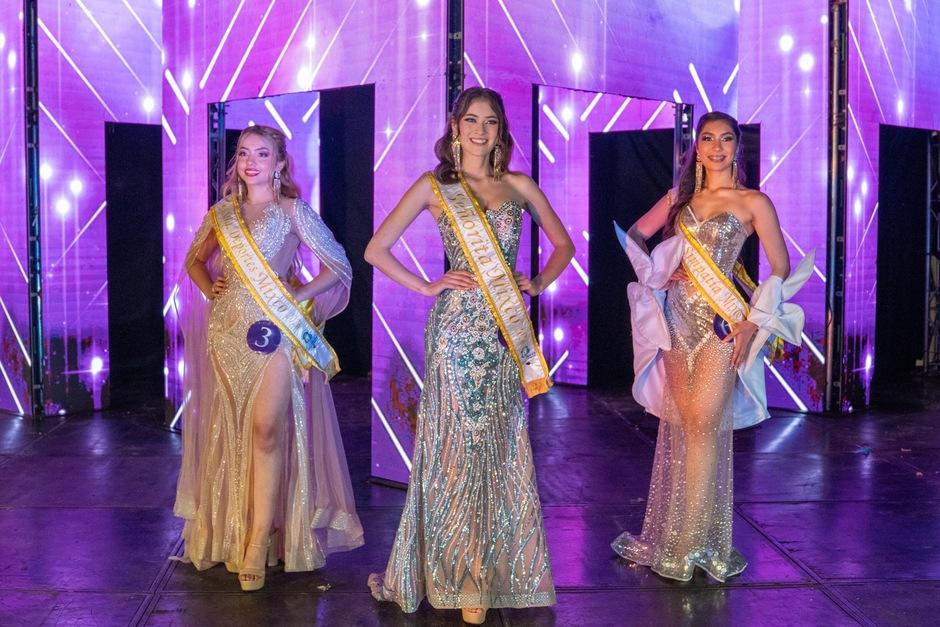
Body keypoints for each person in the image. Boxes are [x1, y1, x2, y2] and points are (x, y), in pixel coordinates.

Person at [365, 87, 573, 624]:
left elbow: (563, 245)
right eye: (471, 120)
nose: (481, 131)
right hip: (455, 331)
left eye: (491, 122)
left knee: (498, 446)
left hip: (504, 335)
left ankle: (491, 569)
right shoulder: (436, 187)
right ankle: (463, 574)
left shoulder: (519, 185)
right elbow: (375, 248)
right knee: (455, 449)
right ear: (454, 127)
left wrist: (538, 282)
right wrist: (428, 285)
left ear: (501, 130)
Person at [611, 111, 814, 581]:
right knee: (684, 426)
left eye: (726, 139)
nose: (717, 147)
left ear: (736, 148)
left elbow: (779, 268)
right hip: (678, 324)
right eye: (708, 138)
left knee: (703, 425)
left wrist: (753, 323)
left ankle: (690, 542)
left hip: (725, 326)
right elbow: (635, 236)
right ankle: (679, 534)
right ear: (696, 147)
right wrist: (663, 272)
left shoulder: (752, 201)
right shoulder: (680, 199)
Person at [173, 125, 363, 592]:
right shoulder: (222, 214)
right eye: (243, 153)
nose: (251, 161)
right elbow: (194, 261)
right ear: (236, 162)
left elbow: (338, 264)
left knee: (265, 430)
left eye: (263, 153)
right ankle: (242, 529)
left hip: (275, 334)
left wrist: (300, 293)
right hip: (227, 335)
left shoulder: (292, 210)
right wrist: (207, 286)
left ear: (280, 163)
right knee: (234, 431)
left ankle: (259, 540)